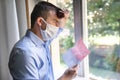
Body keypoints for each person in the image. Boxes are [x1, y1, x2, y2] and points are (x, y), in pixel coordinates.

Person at [8, 1, 78, 80]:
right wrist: (65, 77)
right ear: (40, 22)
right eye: (55, 21)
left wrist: (64, 18)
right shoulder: (25, 54)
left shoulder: (44, 42)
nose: (57, 27)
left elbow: (58, 30)